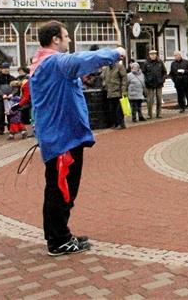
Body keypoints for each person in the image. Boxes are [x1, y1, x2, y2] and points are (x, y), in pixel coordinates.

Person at [29, 20, 125, 256]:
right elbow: (81, 60)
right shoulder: (52, 62)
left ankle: (58, 234)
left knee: (58, 188)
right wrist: (114, 53)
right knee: (61, 189)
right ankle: (59, 240)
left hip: (60, 135)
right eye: (66, 36)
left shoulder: (42, 62)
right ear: (55, 40)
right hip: (62, 137)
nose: (69, 40)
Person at [101, 58, 128, 130]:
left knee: (119, 109)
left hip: (118, 91)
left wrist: (124, 90)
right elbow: (103, 77)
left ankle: (121, 124)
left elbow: (124, 79)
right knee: (112, 109)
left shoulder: (120, 67)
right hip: (110, 92)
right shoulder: (106, 68)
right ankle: (115, 123)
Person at [140, 49, 166, 119]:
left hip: (159, 83)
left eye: (154, 54)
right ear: (149, 55)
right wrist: (146, 80)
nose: (153, 56)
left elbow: (164, 72)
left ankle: (159, 113)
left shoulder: (160, 62)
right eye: (151, 54)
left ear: (156, 55)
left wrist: (162, 80)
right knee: (149, 100)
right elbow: (143, 73)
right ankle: (149, 114)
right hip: (149, 84)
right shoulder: (146, 63)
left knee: (159, 99)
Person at [0, 63, 15, 135]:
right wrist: (2, 94)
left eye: (7, 68)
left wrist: (12, 94)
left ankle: (11, 128)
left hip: (10, 99)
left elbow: (15, 87)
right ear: (2, 69)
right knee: (0, 114)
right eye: (5, 68)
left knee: (11, 114)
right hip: (0, 99)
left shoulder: (12, 78)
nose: (6, 70)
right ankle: (1, 129)